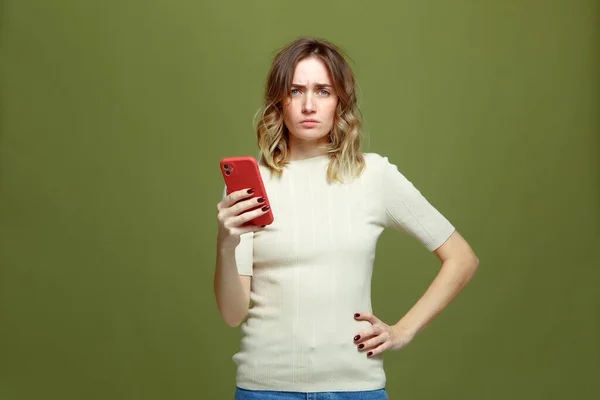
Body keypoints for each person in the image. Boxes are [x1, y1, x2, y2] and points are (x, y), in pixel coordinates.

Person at [214, 37, 479, 400]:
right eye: (296, 90)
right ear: (279, 100)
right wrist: (226, 243)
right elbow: (232, 314)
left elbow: (462, 259)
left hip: (355, 390)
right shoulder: (251, 188)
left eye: (323, 91)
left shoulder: (373, 175)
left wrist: (402, 331)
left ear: (340, 102)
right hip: (266, 391)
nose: (309, 105)